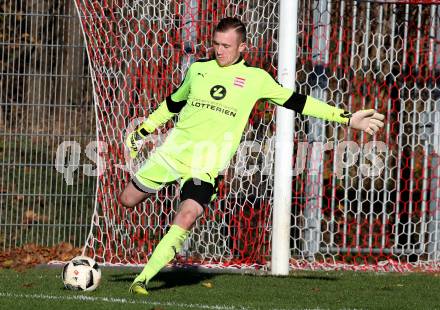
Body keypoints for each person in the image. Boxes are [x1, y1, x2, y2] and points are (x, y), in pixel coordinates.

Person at [120, 17, 385, 296]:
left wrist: (346, 118)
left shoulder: (256, 79)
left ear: (243, 47)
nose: (219, 51)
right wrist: (145, 129)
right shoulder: (198, 70)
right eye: (215, 44)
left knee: (186, 216)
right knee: (127, 200)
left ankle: (142, 280)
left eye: (226, 45)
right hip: (171, 154)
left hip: (206, 166)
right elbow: (174, 102)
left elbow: (298, 101)